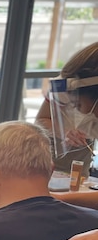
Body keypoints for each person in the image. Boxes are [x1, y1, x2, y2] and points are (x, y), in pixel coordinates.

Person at [35, 42, 98, 172]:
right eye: (74, 105)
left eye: (79, 105)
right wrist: (65, 131)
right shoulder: (66, 84)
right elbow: (42, 119)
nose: (79, 110)